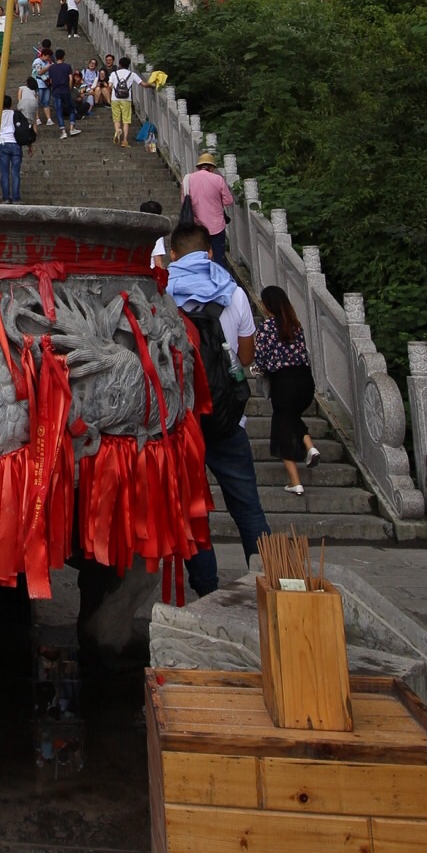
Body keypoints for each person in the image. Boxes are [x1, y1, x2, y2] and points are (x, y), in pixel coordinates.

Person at [167, 226, 267, 595]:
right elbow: (247, 357)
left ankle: (206, 592)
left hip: (182, 421)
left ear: (172, 255)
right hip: (227, 419)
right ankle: (267, 584)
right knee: (248, 508)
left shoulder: (162, 295)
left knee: (193, 510)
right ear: (209, 253)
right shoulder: (234, 293)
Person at [256, 287, 320, 495]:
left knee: (282, 429)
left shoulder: (266, 327)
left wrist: (257, 370)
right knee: (290, 417)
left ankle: (295, 482)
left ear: (268, 304)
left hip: (284, 383)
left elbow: (261, 358)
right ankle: (310, 446)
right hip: (305, 381)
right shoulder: (295, 325)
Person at [182, 149, 235, 265]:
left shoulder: (187, 180)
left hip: (197, 226)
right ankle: (219, 274)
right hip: (217, 225)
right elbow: (228, 201)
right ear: (211, 167)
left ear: (199, 167)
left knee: (200, 257)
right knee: (219, 257)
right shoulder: (218, 179)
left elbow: (183, 202)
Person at [0, 97, 27, 203]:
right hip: (16, 143)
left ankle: (6, 197)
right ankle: (16, 198)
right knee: (15, 173)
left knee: (4, 173)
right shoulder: (15, 114)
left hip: (4, 143)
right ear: (10, 104)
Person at [49, 48, 76, 138]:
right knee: (72, 109)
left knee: (58, 111)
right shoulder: (67, 66)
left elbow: (51, 81)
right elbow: (71, 79)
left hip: (56, 91)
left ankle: (63, 131)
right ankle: (72, 128)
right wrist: (70, 88)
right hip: (65, 90)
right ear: (63, 57)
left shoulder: (51, 68)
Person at [109, 56, 135, 146]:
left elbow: (109, 86)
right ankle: (125, 141)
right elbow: (143, 84)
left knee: (116, 118)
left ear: (119, 64)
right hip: (126, 99)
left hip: (115, 98)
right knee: (126, 120)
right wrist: (151, 85)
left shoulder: (114, 74)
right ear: (128, 65)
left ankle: (117, 131)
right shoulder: (131, 74)